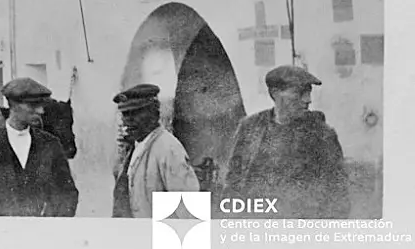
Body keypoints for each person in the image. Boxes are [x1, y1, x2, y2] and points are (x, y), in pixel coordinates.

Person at [223, 65, 350, 218]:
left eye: (309, 92)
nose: (308, 100)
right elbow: (233, 180)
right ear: (276, 94)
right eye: (300, 93)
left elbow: (338, 195)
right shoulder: (250, 127)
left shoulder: (322, 135)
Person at [0, 77, 79, 217]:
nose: (41, 111)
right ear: (14, 105)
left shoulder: (50, 144)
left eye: (42, 105)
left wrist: (51, 225)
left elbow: (67, 193)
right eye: (33, 105)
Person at [110, 84, 200, 218]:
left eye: (135, 113)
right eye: (125, 114)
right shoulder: (135, 147)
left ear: (153, 113)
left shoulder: (168, 149)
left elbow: (189, 210)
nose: (128, 120)